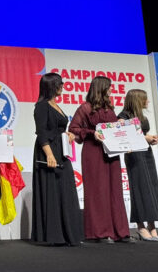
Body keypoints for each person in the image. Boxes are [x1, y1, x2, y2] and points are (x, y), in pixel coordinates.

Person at [69, 76, 132, 244]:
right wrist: (92, 133)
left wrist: (125, 140)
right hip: (94, 152)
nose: (111, 89)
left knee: (115, 191)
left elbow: (114, 131)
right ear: (101, 88)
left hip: (112, 153)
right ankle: (99, 232)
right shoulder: (85, 108)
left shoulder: (109, 108)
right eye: (109, 87)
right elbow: (73, 128)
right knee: (98, 192)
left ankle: (119, 231)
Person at [30, 73, 84, 246]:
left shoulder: (56, 105)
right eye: (60, 84)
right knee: (52, 191)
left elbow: (56, 128)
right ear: (51, 86)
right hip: (48, 150)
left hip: (61, 150)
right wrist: (49, 154)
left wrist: (67, 134)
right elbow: (41, 132)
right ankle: (54, 235)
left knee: (65, 190)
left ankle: (68, 234)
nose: (62, 86)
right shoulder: (41, 106)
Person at [117, 89, 158, 241]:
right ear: (137, 100)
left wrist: (151, 139)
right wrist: (145, 138)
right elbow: (124, 135)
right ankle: (140, 226)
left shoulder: (142, 116)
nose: (147, 101)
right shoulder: (123, 116)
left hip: (146, 153)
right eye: (145, 99)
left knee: (152, 188)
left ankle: (152, 225)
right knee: (139, 188)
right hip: (134, 155)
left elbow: (143, 134)